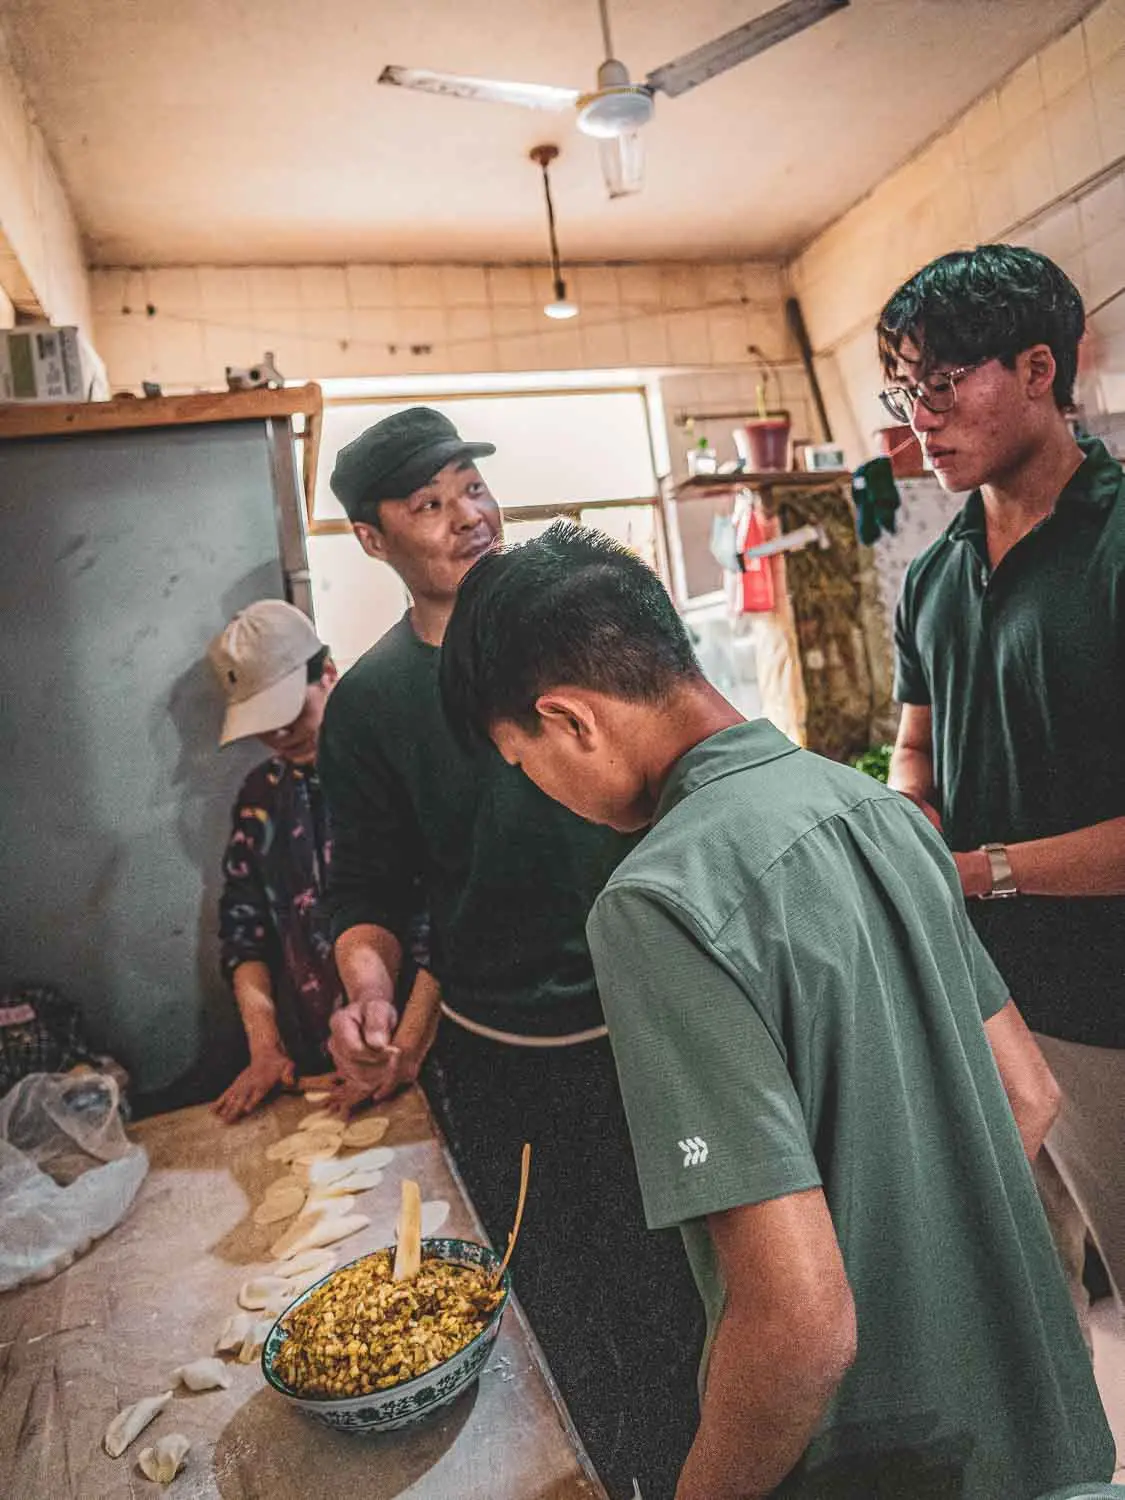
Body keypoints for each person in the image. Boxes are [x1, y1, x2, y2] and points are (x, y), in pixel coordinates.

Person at [438, 520, 1114, 1500]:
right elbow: (1028, 1093)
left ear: (573, 719)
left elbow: (798, 1324)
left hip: (888, 1464)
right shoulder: (873, 805)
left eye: (524, 761)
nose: (543, 792)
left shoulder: (657, 903)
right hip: (1046, 1421)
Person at [317, 407, 703, 1500]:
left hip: (655, 1028)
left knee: (693, 1287)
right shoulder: (371, 704)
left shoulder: (582, 627)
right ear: (371, 539)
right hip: (503, 1062)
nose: (466, 516)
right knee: (560, 1309)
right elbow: (366, 889)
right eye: (427, 504)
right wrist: (368, 990)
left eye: (470, 488)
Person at [877, 245, 1125, 1330]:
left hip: (1113, 1009)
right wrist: (909, 820)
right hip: (988, 1001)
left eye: (941, 383)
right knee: (1028, 1313)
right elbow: (916, 754)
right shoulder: (935, 575)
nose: (919, 416)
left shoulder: (1116, 545)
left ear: (1038, 368)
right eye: (904, 387)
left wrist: (974, 873)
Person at [207, 599, 428, 1121]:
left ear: (327, 673)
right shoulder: (261, 797)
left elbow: (447, 920)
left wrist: (407, 1044)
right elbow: (245, 931)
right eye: (263, 726)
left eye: (289, 715)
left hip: (424, 1048)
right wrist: (267, 1048)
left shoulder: (401, 767)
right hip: (321, 1058)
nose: (281, 736)